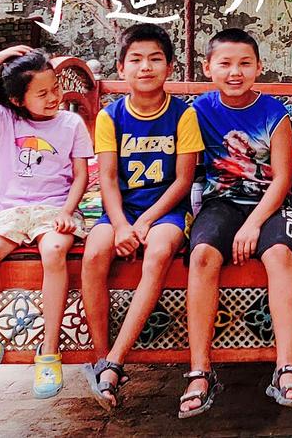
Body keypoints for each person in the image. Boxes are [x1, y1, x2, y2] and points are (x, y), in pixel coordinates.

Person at [179, 29, 292, 417]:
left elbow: (283, 178)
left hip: (272, 203)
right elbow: (188, 171)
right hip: (221, 202)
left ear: (258, 67)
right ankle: (200, 370)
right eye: (225, 63)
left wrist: (253, 223)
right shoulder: (197, 112)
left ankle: (286, 367)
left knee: (280, 255)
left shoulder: (274, 113)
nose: (235, 72)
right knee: (202, 255)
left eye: (244, 64)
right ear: (208, 68)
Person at [0, 46, 93, 399]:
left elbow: (81, 175)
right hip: (9, 211)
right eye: (42, 93)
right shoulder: (6, 119)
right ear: (18, 100)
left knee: (54, 251)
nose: (53, 98)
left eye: (56, 88)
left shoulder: (71, 123)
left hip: (54, 208)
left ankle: (49, 349)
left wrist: (68, 211)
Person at [81, 24, 203, 410]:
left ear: (169, 67)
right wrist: (120, 225)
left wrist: (145, 222)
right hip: (120, 211)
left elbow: (183, 181)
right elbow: (107, 178)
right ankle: (100, 357)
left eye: (155, 59)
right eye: (135, 59)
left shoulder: (183, 115)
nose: (145, 67)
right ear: (121, 67)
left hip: (165, 212)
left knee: (158, 252)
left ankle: (116, 361)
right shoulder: (110, 116)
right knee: (94, 253)